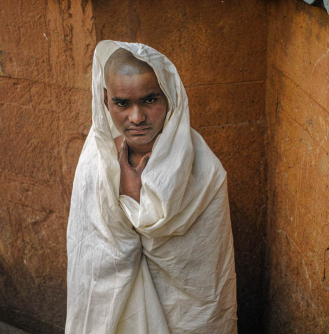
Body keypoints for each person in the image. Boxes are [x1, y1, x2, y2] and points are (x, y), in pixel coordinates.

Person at [65, 40, 237, 334]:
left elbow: (203, 277)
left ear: (170, 97)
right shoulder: (96, 161)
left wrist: (133, 196)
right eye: (122, 103)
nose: (136, 117)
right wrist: (132, 197)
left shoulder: (204, 170)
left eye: (149, 100)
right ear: (106, 100)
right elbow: (94, 261)